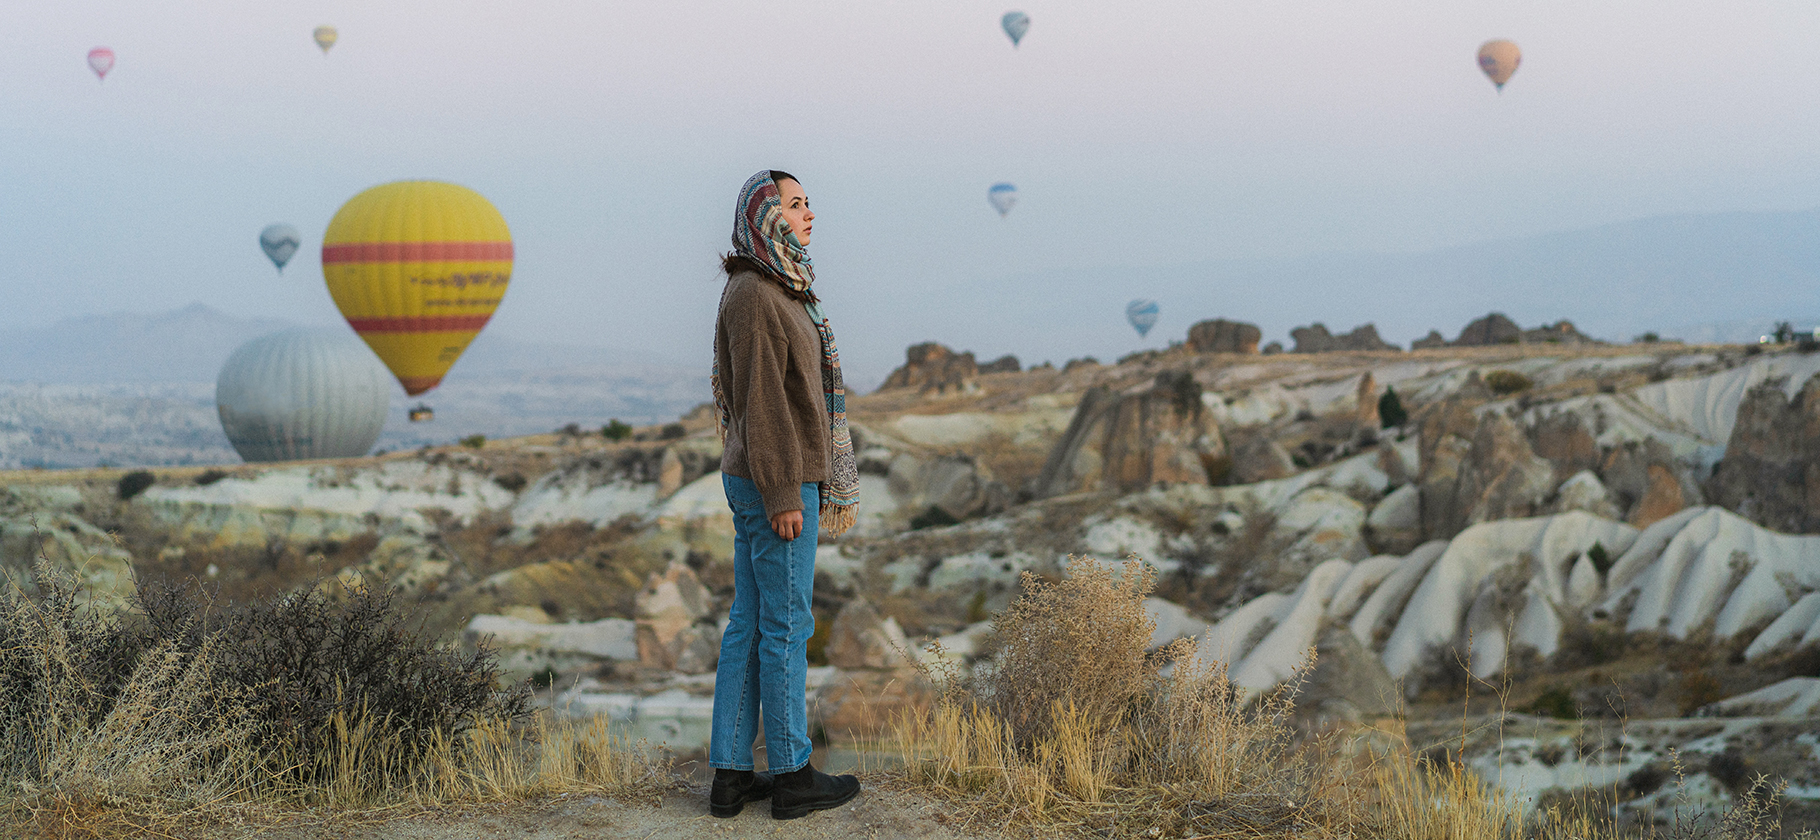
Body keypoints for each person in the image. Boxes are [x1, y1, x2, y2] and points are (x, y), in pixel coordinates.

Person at [707, 170, 862, 820]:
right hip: (775, 478)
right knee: (786, 625)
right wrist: (782, 495)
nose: (809, 214)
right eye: (796, 205)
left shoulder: (775, 287)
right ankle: (793, 773)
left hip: (763, 474)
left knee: (750, 622)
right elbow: (764, 400)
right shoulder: (756, 295)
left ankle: (733, 776)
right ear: (766, 216)